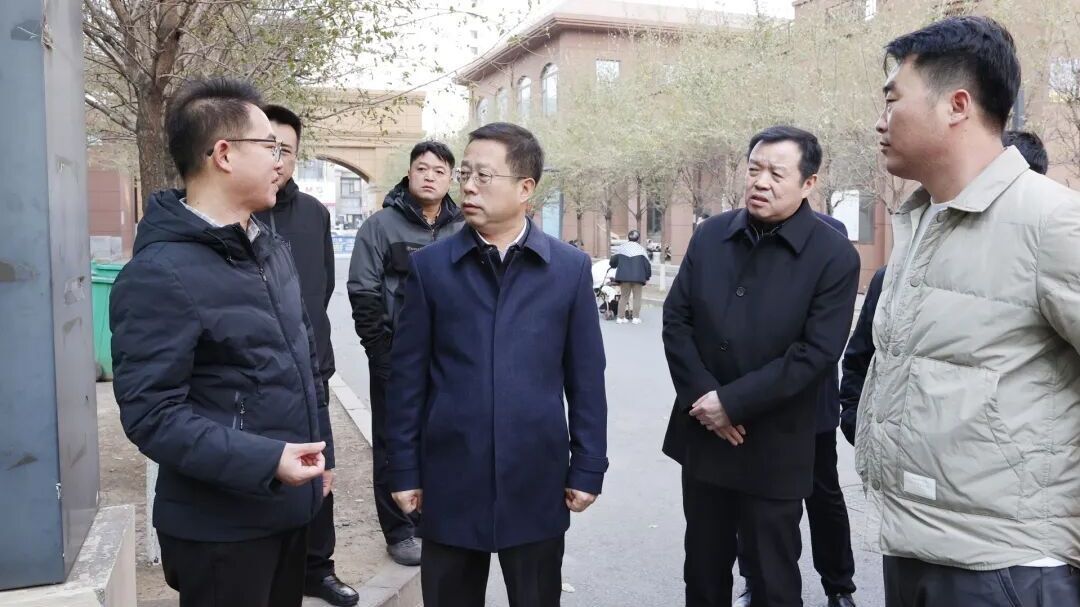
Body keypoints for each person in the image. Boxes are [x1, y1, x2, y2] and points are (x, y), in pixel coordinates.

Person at [859, 16, 1080, 606]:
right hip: (912, 546)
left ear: (957, 105)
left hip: (1007, 567)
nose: (881, 120)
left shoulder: (1051, 222)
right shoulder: (921, 221)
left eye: (893, 100)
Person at [109, 78, 331, 607]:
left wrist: (319, 453)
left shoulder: (269, 249)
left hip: (287, 509)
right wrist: (267, 460)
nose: (280, 160)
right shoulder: (159, 273)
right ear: (224, 154)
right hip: (221, 531)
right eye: (269, 146)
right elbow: (152, 415)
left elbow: (302, 366)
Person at [385, 122, 609, 607]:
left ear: (525, 188)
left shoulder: (567, 270)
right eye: (465, 174)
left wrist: (588, 466)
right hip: (451, 473)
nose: (467, 186)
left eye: (483, 176)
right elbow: (406, 381)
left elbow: (587, 379)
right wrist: (402, 469)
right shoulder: (432, 267)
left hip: (536, 475)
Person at [663, 125, 860, 607]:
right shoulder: (711, 235)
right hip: (705, 432)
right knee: (703, 571)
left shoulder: (833, 255)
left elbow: (816, 353)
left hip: (775, 442)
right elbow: (677, 320)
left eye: (776, 173)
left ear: (808, 183)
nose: (761, 182)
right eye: (754, 170)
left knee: (773, 576)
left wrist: (732, 403)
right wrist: (706, 399)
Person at [840, 129, 1048, 447]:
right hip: (897, 464)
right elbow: (860, 361)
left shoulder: (1046, 264)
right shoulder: (894, 275)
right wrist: (859, 425)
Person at [252, 105, 356, 606]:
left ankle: (319, 568)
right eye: (267, 146)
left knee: (318, 475)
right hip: (254, 378)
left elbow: (323, 287)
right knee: (260, 473)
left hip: (311, 371)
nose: (276, 159)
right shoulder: (237, 211)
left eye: (286, 150)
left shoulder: (314, 214)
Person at [346, 140, 463, 565]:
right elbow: (363, 292)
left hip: (450, 359)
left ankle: (434, 520)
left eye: (439, 170)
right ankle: (399, 530)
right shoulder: (380, 227)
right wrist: (380, 352)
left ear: (451, 179)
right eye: (422, 168)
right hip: (397, 357)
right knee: (394, 441)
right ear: (409, 173)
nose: (430, 176)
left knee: (445, 437)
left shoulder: (464, 227)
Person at [735, 210, 858, 607]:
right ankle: (755, 579)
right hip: (759, 399)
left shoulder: (830, 234)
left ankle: (839, 585)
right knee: (755, 498)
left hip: (812, 402)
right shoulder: (751, 232)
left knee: (823, 496)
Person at [609, 229, 652, 324]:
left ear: (628, 237)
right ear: (638, 238)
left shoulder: (621, 248)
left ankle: (620, 318)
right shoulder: (641, 249)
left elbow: (613, 261)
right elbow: (647, 265)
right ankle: (635, 318)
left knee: (624, 296)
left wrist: (613, 265)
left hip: (624, 277)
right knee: (637, 297)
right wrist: (647, 276)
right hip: (638, 277)